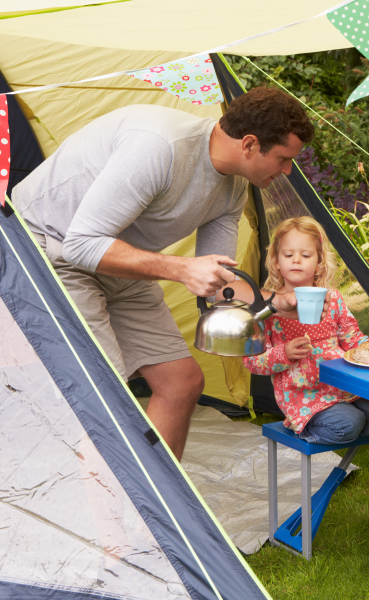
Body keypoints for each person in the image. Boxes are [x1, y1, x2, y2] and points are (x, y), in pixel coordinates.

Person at [12, 87, 315, 460]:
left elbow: (219, 286)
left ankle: (158, 506)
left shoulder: (234, 188)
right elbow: (80, 244)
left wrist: (277, 301)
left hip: (119, 260)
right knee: (107, 396)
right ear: (250, 144)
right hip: (47, 246)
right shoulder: (160, 146)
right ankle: (112, 515)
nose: (287, 171)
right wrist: (181, 269)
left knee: (182, 382)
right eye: (283, 159)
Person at [242, 217, 369, 442]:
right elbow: (252, 361)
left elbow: (353, 338)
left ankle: (346, 422)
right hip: (304, 397)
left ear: (319, 261)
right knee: (349, 423)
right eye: (288, 254)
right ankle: (304, 427)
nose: (296, 261)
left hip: (343, 388)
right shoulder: (266, 308)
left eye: (305, 255)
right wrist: (285, 353)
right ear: (276, 261)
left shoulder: (332, 300)